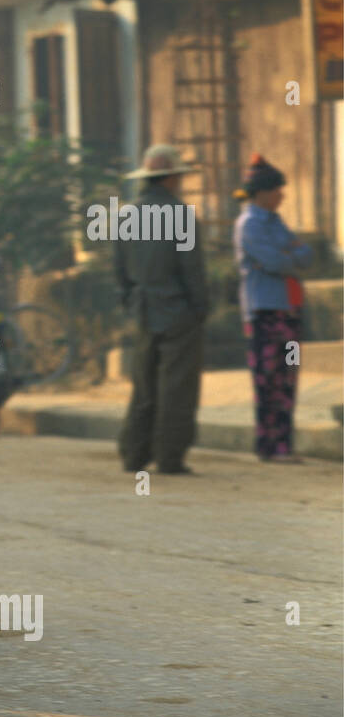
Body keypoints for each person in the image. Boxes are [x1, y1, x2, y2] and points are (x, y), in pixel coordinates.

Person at [114, 144, 208, 475]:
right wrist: (200, 308)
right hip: (178, 312)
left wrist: (132, 303)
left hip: (142, 312)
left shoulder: (126, 214)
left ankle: (133, 454)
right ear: (169, 178)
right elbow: (192, 270)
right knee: (176, 388)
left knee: (144, 385)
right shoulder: (181, 215)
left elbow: (120, 272)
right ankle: (170, 457)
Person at [233, 154, 313, 463]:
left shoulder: (276, 223)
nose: (281, 195)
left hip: (289, 309)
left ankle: (283, 445)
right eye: (277, 189)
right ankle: (269, 445)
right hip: (264, 312)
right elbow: (277, 261)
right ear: (261, 193)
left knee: (288, 377)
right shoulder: (249, 225)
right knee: (268, 380)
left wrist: (290, 254)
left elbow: (307, 255)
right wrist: (291, 252)